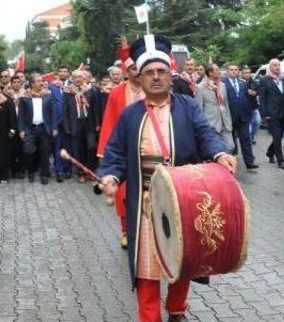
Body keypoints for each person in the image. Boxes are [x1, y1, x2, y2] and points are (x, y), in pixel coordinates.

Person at [97, 34, 236, 322]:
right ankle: (150, 317)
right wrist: (110, 175)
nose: (156, 77)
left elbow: (206, 135)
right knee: (146, 268)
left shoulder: (187, 107)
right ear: (141, 78)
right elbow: (115, 154)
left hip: (182, 200)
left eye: (161, 71)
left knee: (181, 259)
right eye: (149, 73)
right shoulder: (130, 115)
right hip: (145, 204)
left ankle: (176, 308)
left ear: (170, 76)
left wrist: (220, 154)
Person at [98, 42, 144, 250]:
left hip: (149, 150)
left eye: (138, 68)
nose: (137, 72)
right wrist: (105, 154)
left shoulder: (151, 89)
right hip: (125, 153)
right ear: (126, 70)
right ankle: (126, 230)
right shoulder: (117, 93)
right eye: (133, 68)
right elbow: (109, 122)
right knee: (123, 196)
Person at [18, 73, 56, 184]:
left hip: (44, 128)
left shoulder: (48, 95)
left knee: (45, 153)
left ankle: (44, 174)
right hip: (30, 129)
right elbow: (21, 115)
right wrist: (21, 130)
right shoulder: (25, 96)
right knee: (28, 151)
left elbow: (52, 112)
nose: (42, 83)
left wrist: (54, 127)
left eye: (42, 80)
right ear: (32, 84)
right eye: (39, 81)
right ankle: (30, 172)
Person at [63, 69, 101, 182]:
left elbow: (96, 108)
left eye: (80, 77)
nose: (78, 79)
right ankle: (81, 173)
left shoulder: (91, 90)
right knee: (78, 150)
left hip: (90, 123)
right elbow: (65, 110)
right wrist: (67, 125)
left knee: (91, 146)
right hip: (75, 123)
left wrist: (98, 123)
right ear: (72, 79)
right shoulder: (68, 91)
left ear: (84, 78)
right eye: (75, 77)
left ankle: (90, 169)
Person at [223, 64, 258, 170]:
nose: (234, 71)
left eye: (236, 70)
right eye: (231, 70)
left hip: (243, 116)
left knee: (246, 139)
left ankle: (250, 162)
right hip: (230, 116)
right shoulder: (222, 83)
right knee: (231, 141)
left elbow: (248, 98)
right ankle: (231, 161)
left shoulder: (243, 83)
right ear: (227, 71)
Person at [195, 63, 234, 153]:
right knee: (215, 150)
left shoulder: (222, 86)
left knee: (230, 146)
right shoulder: (201, 87)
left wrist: (229, 121)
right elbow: (199, 109)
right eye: (217, 70)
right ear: (210, 73)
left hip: (225, 122)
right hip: (211, 124)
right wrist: (201, 127)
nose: (219, 72)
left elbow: (226, 105)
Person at [259, 58, 284, 169]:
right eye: (275, 65)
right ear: (270, 67)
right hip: (272, 113)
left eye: (278, 65)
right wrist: (264, 114)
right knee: (276, 136)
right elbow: (262, 98)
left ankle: (270, 152)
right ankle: (280, 160)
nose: (277, 67)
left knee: (279, 136)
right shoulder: (265, 80)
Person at [49, 66, 72, 182]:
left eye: (65, 71)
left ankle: (68, 168)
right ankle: (59, 171)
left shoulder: (73, 85)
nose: (63, 73)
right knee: (57, 147)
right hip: (56, 122)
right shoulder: (52, 86)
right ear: (58, 73)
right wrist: (53, 125)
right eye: (61, 71)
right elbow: (50, 106)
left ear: (68, 73)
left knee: (68, 146)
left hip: (70, 122)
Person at [7, 74, 27, 179]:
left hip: (22, 124)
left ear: (21, 83)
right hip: (12, 125)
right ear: (11, 84)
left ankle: (22, 170)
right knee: (12, 148)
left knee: (22, 148)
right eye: (14, 82)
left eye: (18, 82)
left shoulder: (25, 94)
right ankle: (14, 170)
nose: (16, 84)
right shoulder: (7, 95)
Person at [241, 66, 261, 144]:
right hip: (243, 108)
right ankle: (248, 139)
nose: (247, 74)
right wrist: (249, 92)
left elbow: (257, 92)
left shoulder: (253, 82)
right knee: (247, 127)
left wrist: (252, 92)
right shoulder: (239, 82)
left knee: (257, 122)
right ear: (241, 73)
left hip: (253, 107)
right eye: (245, 73)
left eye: (248, 72)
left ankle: (252, 135)